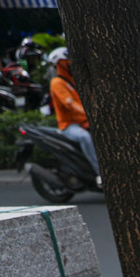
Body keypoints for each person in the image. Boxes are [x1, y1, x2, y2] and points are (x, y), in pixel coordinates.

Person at [46, 47, 100, 184]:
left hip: (84, 122)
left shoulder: (73, 81)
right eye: (67, 60)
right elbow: (69, 104)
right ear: (59, 63)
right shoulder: (57, 83)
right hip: (69, 126)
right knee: (85, 137)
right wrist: (90, 115)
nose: (70, 62)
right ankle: (100, 173)